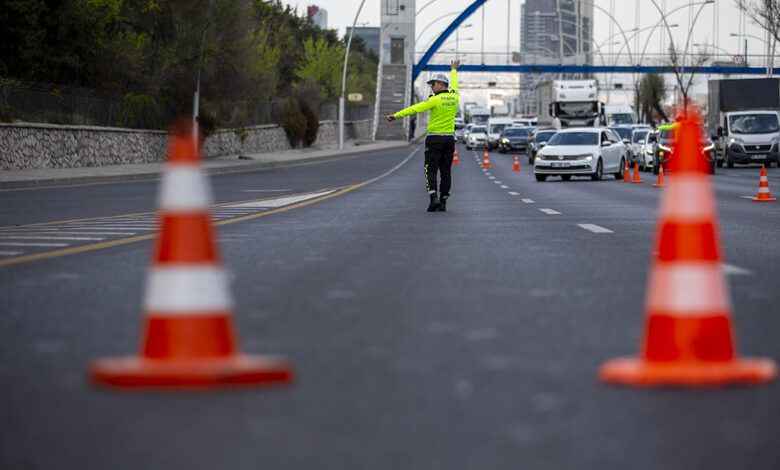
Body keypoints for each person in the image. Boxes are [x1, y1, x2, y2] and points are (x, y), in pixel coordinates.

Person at [387, 61, 460, 212]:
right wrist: (453, 70)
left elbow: (415, 108)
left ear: (440, 84)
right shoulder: (455, 97)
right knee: (446, 171)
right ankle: (444, 201)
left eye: (433, 84)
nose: (432, 87)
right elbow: (455, 84)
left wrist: (396, 115)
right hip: (449, 140)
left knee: (430, 169)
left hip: (434, 139)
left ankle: (433, 198)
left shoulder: (434, 99)